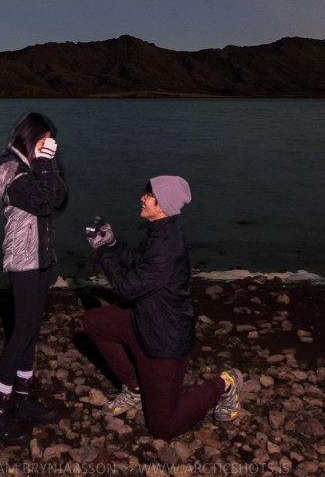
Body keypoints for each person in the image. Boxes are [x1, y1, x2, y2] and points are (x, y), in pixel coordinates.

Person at [83, 175, 243, 440]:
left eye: (149, 195)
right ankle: (134, 388)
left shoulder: (166, 248)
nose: (142, 198)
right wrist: (112, 243)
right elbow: (136, 261)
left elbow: (125, 288)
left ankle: (226, 382)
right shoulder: (160, 231)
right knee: (94, 322)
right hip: (143, 322)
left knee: (163, 429)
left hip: (164, 341)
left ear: (162, 205)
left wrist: (101, 251)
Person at [0, 112, 68, 445]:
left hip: (42, 258)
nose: (47, 146)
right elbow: (44, 202)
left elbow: (61, 198)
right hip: (23, 260)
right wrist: (47, 167)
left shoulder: (38, 166)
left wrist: (50, 165)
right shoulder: (10, 172)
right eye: (43, 140)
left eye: (50, 141)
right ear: (29, 137)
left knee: (33, 328)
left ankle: (22, 395)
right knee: (21, 333)